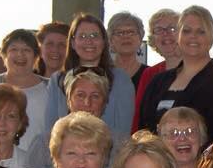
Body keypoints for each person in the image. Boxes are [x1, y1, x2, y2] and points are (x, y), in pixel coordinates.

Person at [137, 5, 213, 141]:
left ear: (212, 37)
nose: (193, 36)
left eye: (201, 32)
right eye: (186, 31)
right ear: (178, 36)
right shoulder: (158, 82)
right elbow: (142, 133)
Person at [44, 13, 135, 144]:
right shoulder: (57, 80)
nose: (89, 41)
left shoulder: (121, 80)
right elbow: (51, 130)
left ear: (104, 42)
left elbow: (123, 134)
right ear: (73, 43)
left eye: (94, 36)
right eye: (82, 36)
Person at [0, 28, 49, 160]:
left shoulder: (52, 88)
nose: (20, 54)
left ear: (36, 56)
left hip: (41, 163)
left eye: (26, 50)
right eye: (14, 49)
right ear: (4, 55)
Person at [133, 9, 183, 132]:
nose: (165, 34)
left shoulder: (197, 71)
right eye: (159, 30)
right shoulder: (149, 74)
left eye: (172, 28)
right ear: (153, 39)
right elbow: (138, 117)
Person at [108, 11, 148, 90]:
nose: (126, 37)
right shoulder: (101, 75)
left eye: (131, 32)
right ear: (110, 40)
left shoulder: (151, 75)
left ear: (140, 38)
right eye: (119, 33)